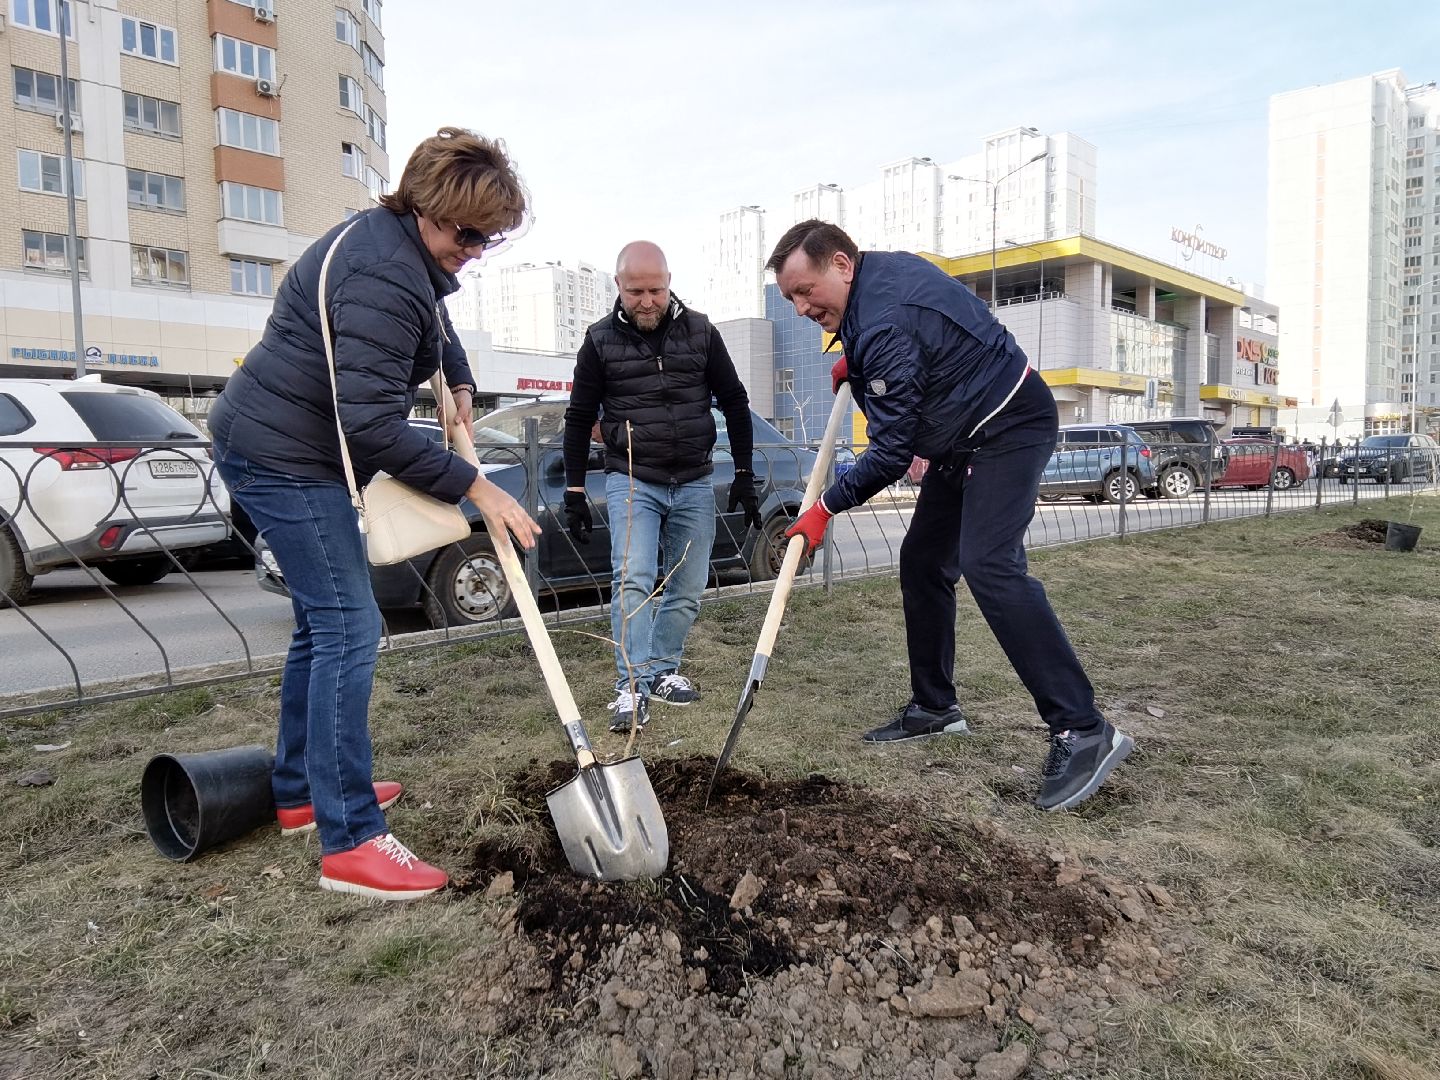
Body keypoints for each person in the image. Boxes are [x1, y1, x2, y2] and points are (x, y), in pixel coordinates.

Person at [208, 128, 542, 899]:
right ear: (426, 207)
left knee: (321, 626)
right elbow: (370, 427)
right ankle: (351, 837)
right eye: (467, 234)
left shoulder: (397, 248)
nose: (475, 248)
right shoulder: (384, 275)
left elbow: (437, 324)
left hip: (284, 441)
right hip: (284, 453)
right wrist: (475, 484)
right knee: (350, 628)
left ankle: (300, 791)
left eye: (487, 239)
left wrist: (458, 378)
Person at [768, 220, 1133, 813]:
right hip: (963, 435)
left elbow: (889, 454)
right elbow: (916, 357)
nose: (802, 306)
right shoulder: (877, 281)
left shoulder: (881, 318)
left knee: (989, 564)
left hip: (1008, 425)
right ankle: (935, 708)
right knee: (923, 562)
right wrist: (858, 368)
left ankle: (1083, 730)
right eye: (790, 299)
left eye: (807, 291)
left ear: (841, 263)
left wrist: (825, 508)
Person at [561, 242, 760, 733]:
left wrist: (742, 473)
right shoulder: (598, 341)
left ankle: (662, 670)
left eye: (656, 289)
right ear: (618, 287)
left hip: (694, 478)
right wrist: (573, 490)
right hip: (632, 478)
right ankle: (630, 685)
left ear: (669, 283)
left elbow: (735, 401)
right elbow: (579, 416)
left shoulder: (701, 332)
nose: (646, 300)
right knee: (633, 579)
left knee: (689, 585)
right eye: (636, 291)